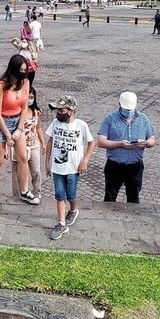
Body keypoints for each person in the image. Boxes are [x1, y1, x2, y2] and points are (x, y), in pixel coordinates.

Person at [0, 55, 36, 208]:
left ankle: (24, 190)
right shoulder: (1, 86)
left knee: (23, 157)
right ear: (13, 69)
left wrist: (19, 129)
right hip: (1, 123)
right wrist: (8, 136)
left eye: (25, 70)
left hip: (17, 122)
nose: (23, 73)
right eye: (20, 70)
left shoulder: (25, 83)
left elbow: (24, 108)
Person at [45, 95, 95, 240]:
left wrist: (85, 160)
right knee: (60, 195)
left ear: (71, 111)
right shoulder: (55, 123)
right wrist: (47, 162)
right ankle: (61, 224)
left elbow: (91, 143)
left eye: (62, 110)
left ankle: (73, 210)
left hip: (73, 168)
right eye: (57, 111)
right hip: (57, 167)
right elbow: (50, 141)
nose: (58, 113)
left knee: (71, 195)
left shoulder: (81, 125)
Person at [97, 91, 157, 203]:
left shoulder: (143, 119)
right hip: (114, 165)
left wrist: (145, 143)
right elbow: (101, 141)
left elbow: (152, 140)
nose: (128, 112)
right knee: (110, 197)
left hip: (135, 166)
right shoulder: (110, 119)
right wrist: (119, 144)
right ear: (119, 104)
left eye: (130, 109)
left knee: (134, 198)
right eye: (126, 109)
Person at [11, 85, 45, 202]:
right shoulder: (17, 112)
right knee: (17, 173)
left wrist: (43, 143)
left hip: (34, 145)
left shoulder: (36, 112)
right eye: (28, 96)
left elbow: (39, 127)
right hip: (20, 145)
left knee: (36, 172)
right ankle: (18, 194)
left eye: (32, 97)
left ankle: (37, 193)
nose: (30, 99)